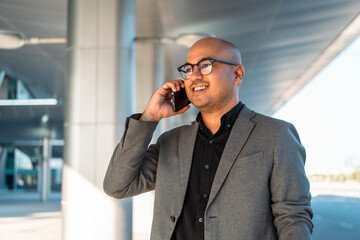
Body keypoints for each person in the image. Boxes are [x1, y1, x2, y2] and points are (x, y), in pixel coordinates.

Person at [103, 37, 314, 240]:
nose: (194, 76)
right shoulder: (170, 142)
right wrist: (150, 117)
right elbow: (117, 186)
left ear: (237, 73)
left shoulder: (276, 135)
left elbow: (293, 216)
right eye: (188, 69)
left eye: (205, 65)